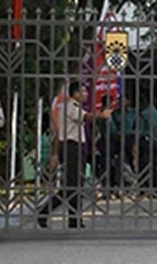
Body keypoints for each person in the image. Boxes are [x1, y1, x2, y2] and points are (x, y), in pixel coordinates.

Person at [37, 81, 112, 229]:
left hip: (76, 147)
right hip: (71, 147)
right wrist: (101, 115)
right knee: (71, 186)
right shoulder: (70, 107)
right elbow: (85, 117)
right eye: (83, 91)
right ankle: (45, 212)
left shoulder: (74, 106)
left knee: (75, 185)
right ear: (75, 93)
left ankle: (74, 219)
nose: (86, 94)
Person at [139, 98, 157, 194]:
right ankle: (156, 187)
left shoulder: (143, 114)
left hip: (146, 141)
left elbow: (140, 130)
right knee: (154, 165)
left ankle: (144, 187)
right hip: (155, 141)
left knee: (144, 165)